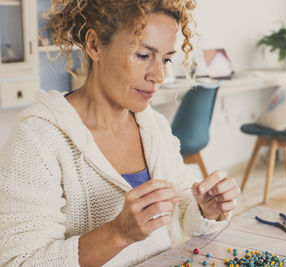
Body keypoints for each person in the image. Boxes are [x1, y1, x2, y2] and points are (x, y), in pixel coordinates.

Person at [0, 0, 241, 266]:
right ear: (94, 45)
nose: (159, 75)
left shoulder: (153, 126)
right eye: (143, 55)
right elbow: (20, 261)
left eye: (166, 59)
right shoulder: (38, 139)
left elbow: (183, 205)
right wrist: (118, 233)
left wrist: (206, 207)